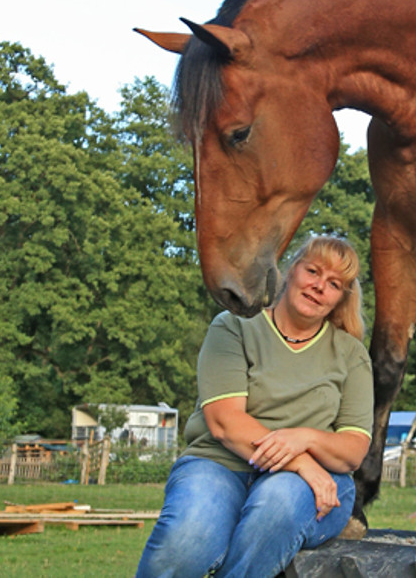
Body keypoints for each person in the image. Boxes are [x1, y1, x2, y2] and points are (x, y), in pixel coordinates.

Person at [137, 235, 373, 578]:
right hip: (220, 465)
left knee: (277, 505)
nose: (319, 286)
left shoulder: (351, 355)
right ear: (290, 271)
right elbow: (225, 423)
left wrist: (305, 438)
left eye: (334, 284)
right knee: (188, 538)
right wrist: (299, 461)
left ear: (341, 298)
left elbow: (353, 449)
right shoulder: (233, 327)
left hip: (317, 486)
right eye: (313, 271)